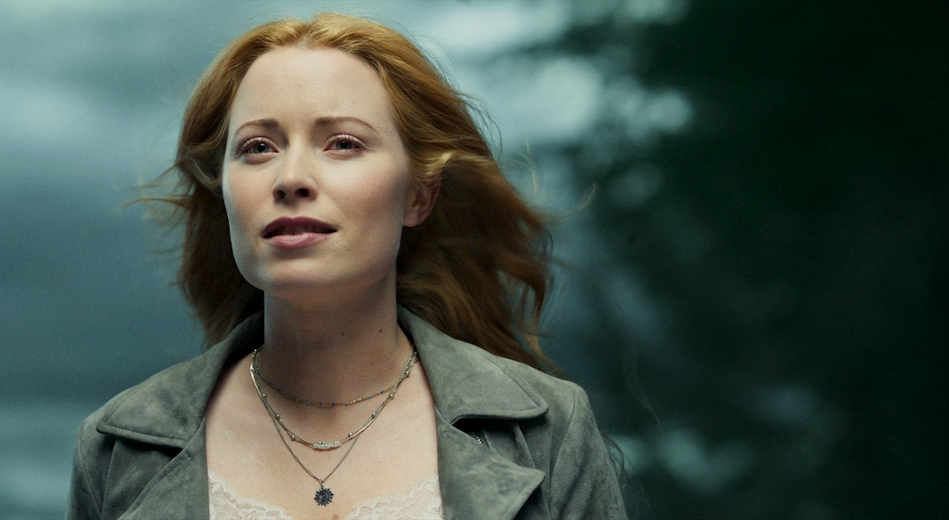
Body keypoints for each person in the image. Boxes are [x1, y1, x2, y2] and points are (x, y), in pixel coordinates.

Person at [68, 12, 626, 520]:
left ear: (419, 196)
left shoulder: (550, 433)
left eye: (342, 143)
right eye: (258, 147)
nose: (291, 178)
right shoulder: (119, 448)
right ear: (225, 193)